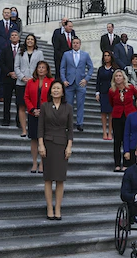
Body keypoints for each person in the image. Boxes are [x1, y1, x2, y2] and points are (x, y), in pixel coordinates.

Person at [38, 79, 73, 220]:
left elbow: (70, 129)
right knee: (48, 178)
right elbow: (40, 128)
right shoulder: (45, 106)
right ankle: (49, 207)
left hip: (62, 144)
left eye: (58, 88)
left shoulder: (68, 108)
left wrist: (69, 146)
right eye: (54, 88)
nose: (56, 90)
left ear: (62, 91)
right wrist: (40, 144)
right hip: (47, 143)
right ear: (50, 91)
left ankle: (58, 207)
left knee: (60, 179)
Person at [59, 37, 94, 132]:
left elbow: (91, 68)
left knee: (80, 104)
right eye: (74, 43)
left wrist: (86, 79)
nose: (75, 44)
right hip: (69, 83)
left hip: (80, 83)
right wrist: (64, 80)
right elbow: (62, 68)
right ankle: (68, 123)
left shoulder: (85, 55)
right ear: (71, 44)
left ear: (80, 44)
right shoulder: (66, 54)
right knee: (68, 105)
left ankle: (80, 123)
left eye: (77, 43)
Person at [25, 60, 53, 173]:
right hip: (33, 114)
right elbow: (26, 97)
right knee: (34, 138)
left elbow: (53, 97)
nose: (41, 69)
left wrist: (44, 110)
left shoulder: (51, 81)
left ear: (47, 70)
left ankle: (42, 163)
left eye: (43, 67)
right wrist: (32, 109)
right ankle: (34, 163)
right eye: (39, 67)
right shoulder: (31, 82)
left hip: (46, 114)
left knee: (44, 139)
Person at [14, 33, 44, 138]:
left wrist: (34, 78)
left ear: (35, 41)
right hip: (21, 83)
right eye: (28, 39)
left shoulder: (39, 53)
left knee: (34, 106)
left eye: (32, 39)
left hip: (34, 83)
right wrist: (22, 77)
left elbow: (42, 66)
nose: (30, 41)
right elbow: (16, 66)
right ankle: (23, 130)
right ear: (25, 41)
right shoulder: (20, 52)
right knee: (21, 106)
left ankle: (34, 129)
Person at [109, 69, 137, 172]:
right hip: (117, 116)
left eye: (120, 76)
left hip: (129, 115)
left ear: (123, 77)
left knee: (128, 139)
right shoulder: (111, 90)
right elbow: (111, 103)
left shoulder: (130, 88)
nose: (118, 78)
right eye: (116, 76)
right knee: (117, 140)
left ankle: (127, 163)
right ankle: (117, 164)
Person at [0, 29, 21, 127]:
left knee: (19, 101)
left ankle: (19, 120)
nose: (14, 37)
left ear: (19, 37)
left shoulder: (23, 50)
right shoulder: (5, 49)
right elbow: (1, 63)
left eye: (16, 35)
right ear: (10, 38)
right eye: (12, 35)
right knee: (7, 100)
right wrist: (9, 72)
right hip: (8, 78)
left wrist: (19, 74)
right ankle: (6, 119)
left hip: (20, 79)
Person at [95, 51, 116, 140]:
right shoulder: (101, 69)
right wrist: (97, 93)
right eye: (105, 56)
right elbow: (98, 81)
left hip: (112, 92)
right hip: (103, 92)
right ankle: (104, 132)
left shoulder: (114, 69)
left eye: (108, 56)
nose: (107, 57)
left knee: (111, 113)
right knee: (103, 113)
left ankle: (110, 132)